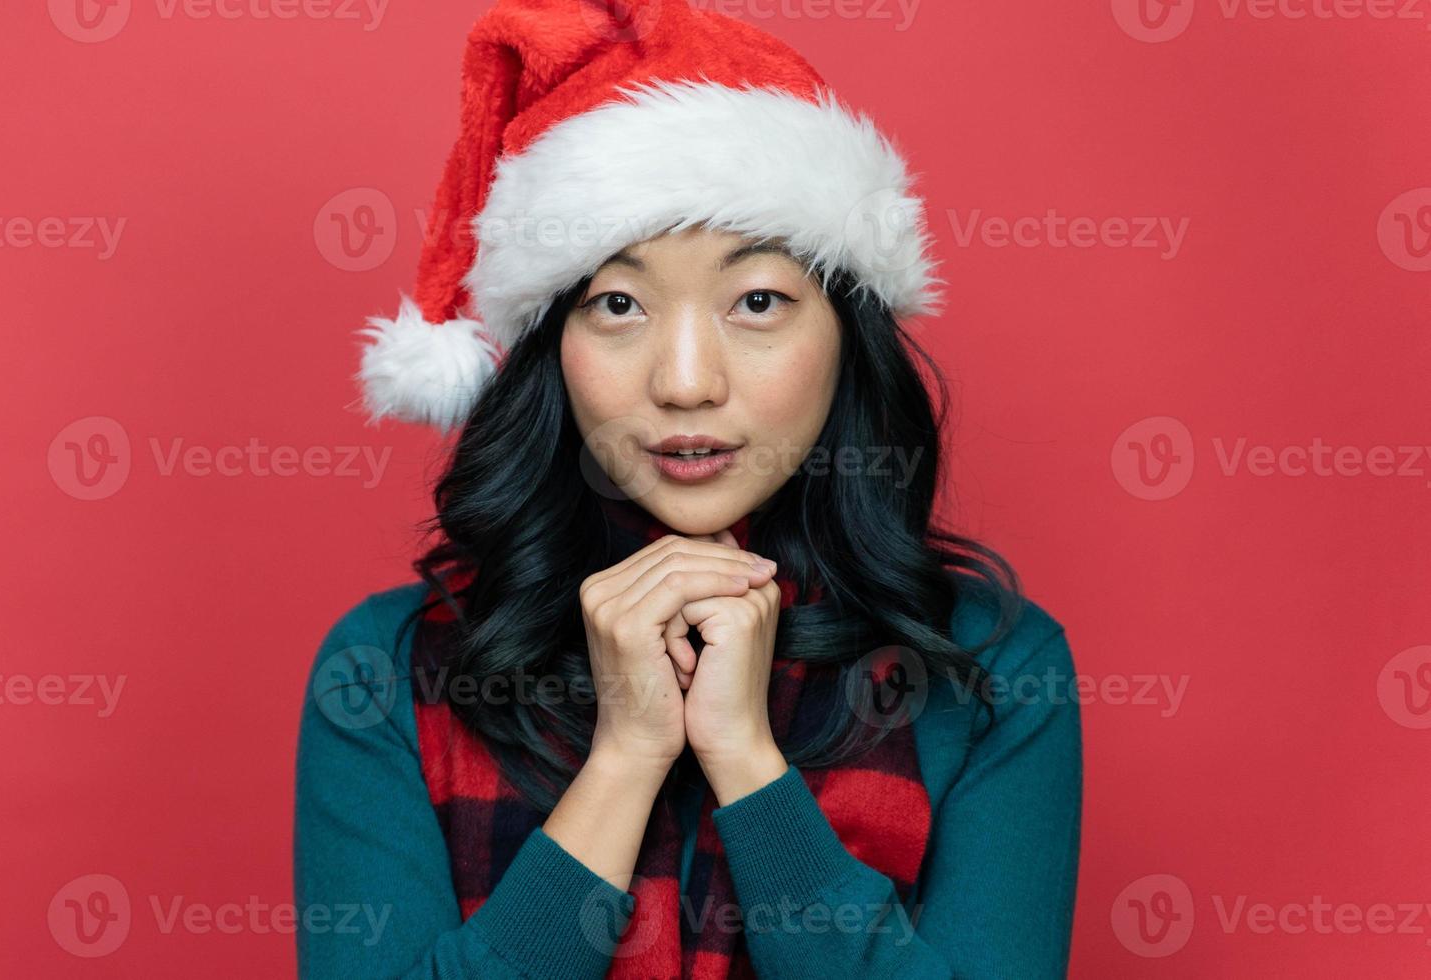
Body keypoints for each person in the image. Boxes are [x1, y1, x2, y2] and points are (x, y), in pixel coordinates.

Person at [296, 1, 1082, 976]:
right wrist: (623, 759)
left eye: (755, 300)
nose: (683, 381)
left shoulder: (993, 669)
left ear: (844, 335)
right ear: (551, 346)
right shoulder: (383, 669)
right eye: (617, 303)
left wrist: (745, 759)